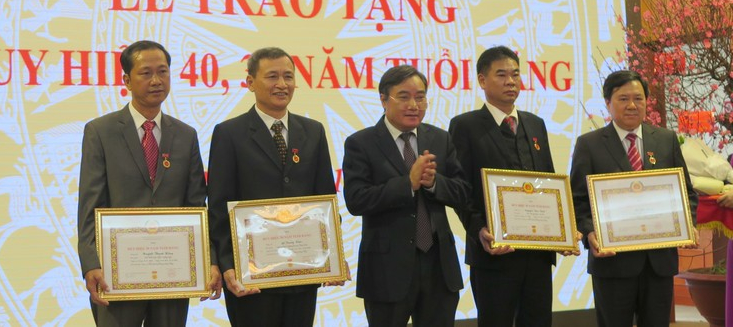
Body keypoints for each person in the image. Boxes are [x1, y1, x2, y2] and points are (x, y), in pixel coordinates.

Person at [76, 40, 221, 326]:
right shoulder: (101, 131)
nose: (156, 80)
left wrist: (209, 259)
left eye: (163, 72)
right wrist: (90, 263)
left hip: (173, 269)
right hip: (117, 271)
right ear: (127, 80)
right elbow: (90, 204)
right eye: (146, 73)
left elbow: (196, 205)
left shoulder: (185, 134)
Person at [207, 47, 343, 327]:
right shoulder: (229, 133)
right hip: (251, 277)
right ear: (250, 82)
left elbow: (325, 199)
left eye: (288, 76)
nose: (282, 84)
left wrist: (334, 255)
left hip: (302, 273)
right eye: (272, 77)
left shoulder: (313, 131)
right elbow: (219, 207)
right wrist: (228, 265)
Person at [448, 45, 569, 327]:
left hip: (538, 253)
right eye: (501, 75)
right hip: (493, 253)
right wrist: (479, 229)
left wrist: (562, 229)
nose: (511, 82)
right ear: (482, 80)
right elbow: (460, 190)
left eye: (515, 74)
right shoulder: (465, 126)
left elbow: (548, 182)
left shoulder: (535, 124)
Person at [570, 69, 698, 327]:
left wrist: (688, 223)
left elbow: (686, 192)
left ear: (646, 101)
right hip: (612, 263)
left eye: (638, 98)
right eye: (623, 99)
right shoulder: (589, 144)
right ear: (608, 102)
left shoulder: (666, 140)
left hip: (658, 262)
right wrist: (589, 232)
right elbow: (578, 200)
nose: (632, 105)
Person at [343, 65, 468, 326]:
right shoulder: (361, 143)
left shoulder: (440, 138)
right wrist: (407, 184)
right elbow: (356, 200)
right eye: (403, 97)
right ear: (383, 100)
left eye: (420, 97)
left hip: (439, 268)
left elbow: (463, 192)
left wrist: (434, 184)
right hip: (386, 271)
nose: (414, 105)